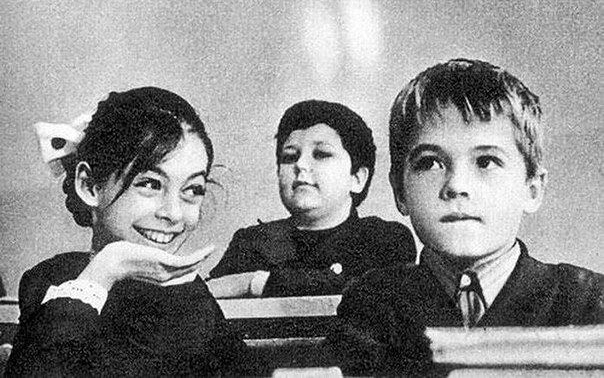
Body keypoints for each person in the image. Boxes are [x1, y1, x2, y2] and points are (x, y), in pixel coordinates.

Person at [328, 59, 604, 375]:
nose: (456, 186)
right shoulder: (372, 305)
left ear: (532, 189)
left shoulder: (587, 302)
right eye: (430, 163)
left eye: (486, 161)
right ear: (400, 192)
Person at [6, 87, 254, 376]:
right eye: (150, 184)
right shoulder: (53, 282)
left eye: (192, 190)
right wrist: (106, 269)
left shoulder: (189, 294)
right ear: (89, 186)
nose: (173, 213)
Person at [207, 100, 416, 298]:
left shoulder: (384, 239)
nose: (300, 165)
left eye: (321, 154)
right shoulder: (251, 243)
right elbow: (208, 294)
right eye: (290, 157)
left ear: (357, 178)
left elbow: (362, 287)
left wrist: (254, 282)